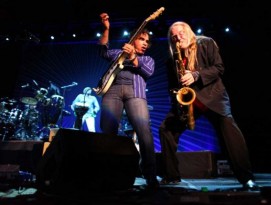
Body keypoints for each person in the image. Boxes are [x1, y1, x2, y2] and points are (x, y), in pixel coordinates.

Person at [159, 21, 260, 191]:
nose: (178, 38)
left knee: (231, 134)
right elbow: (172, 87)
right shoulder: (172, 60)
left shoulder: (205, 43)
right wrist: (177, 101)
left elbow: (219, 68)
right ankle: (171, 176)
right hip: (188, 102)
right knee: (166, 129)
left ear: (189, 31)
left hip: (213, 97)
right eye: (174, 36)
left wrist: (196, 75)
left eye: (181, 33)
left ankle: (246, 178)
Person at [94, 13, 158, 189]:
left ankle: (150, 175)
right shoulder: (118, 53)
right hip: (112, 91)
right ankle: (106, 174)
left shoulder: (147, 59)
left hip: (135, 92)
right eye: (142, 39)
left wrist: (132, 57)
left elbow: (147, 72)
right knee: (107, 132)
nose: (145, 43)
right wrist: (106, 28)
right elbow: (102, 50)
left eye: (147, 41)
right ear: (133, 39)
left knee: (144, 132)